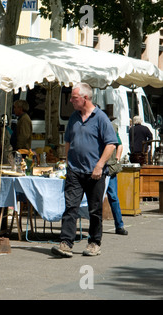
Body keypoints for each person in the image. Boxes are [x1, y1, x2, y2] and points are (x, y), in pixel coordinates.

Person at [51, 83, 117, 258]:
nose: (71, 100)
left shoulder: (101, 118)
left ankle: (94, 243)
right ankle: (66, 243)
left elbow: (111, 144)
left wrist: (99, 165)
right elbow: (68, 141)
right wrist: (67, 161)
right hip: (75, 171)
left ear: (85, 98)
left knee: (94, 210)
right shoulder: (73, 117)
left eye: (74, 97)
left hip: (95, 173)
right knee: (70, 207)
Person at [106, 117, 128, 235]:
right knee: (96, 199)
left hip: (109, 167)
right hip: (97, 167)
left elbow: (119, 145)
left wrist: (117, 159)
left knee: (113, 197)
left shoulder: (112, 127)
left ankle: (119, 225)